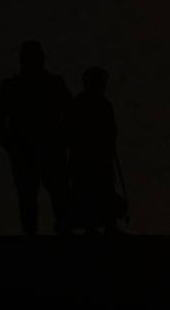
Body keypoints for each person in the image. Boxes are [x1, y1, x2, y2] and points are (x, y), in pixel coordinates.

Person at [0, 40, 73, 235]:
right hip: (31, 149)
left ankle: (54, 234)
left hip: (43, 148)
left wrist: (63, 137)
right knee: (34, 196)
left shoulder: (47, 84)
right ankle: (44, 235)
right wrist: (10, 143)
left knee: (51, 194)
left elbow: (72, 113)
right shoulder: (21, 86)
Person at [64, 66, 119, 234]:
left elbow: (111, 129)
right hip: (88, 158)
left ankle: (103, 225)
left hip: (95, 157)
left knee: (99, 190)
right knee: (90, 190)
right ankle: (94, 226)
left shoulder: (91, 104)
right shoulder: (87, 104)